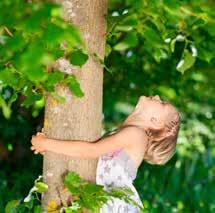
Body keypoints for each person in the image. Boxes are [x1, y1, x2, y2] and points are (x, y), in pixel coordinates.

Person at [31, 95, 181, 212]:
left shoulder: (137, 135)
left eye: (161, 103)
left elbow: (90, 151)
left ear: (155, 121)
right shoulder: (128, 133)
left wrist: (47, 144)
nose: (156, 96)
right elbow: (89, 156)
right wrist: (51, 149)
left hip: (115, 205)